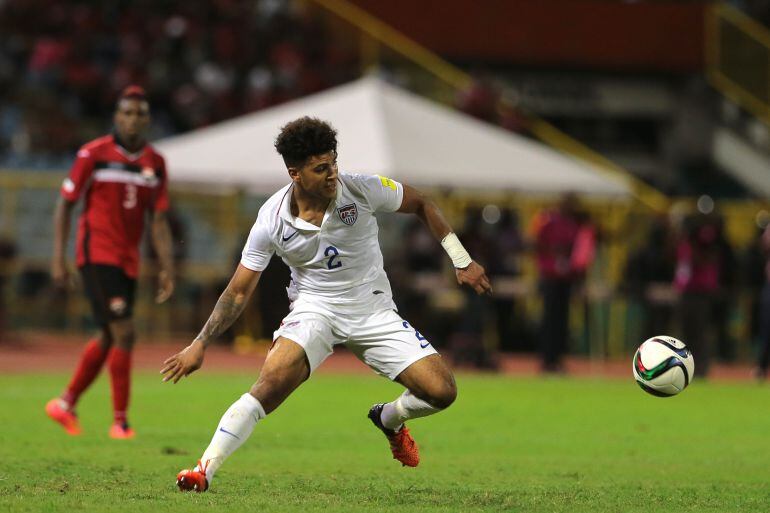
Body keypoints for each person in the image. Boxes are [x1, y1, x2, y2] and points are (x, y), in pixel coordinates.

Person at [161, 117, 492, 492]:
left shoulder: (361, 188)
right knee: (269, 385)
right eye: (321, 169)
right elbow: (237, 291)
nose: (333, 174)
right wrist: (200, 343)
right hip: (314, 310)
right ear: (295, 173)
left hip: (372, 309)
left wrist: (460, 258)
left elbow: (421, 202)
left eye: (333, 162)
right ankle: (203, 470)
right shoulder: (271, 220)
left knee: (442, 392)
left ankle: (388, 418)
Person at [45, 85, 175, 439]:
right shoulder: (93, 154)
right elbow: (65, 204)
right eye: (127, 113)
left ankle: (65, 403)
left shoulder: (155, 163)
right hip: (97, 252)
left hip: (128, 259)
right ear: (117, 117)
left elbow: (159, 219)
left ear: (148, 119)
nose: (133, 119)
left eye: (140, 113)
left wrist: (167, 266)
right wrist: (59, 258)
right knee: (125, 332)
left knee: (106, 335)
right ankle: (120, 422)